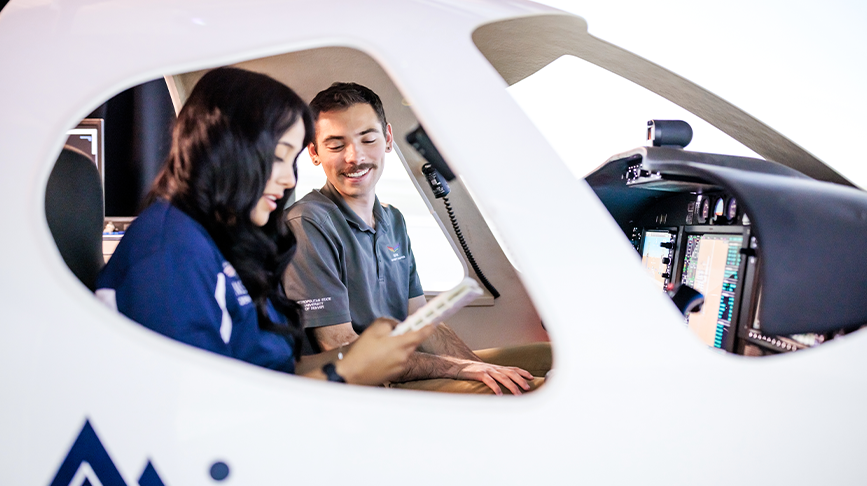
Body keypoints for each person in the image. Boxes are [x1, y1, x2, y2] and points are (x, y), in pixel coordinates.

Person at [95, 68, 432, 385]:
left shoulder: (228, 244)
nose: (288, 180)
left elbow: (274, 372)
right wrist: (347, 372)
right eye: (277, 157)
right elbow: (198, 409)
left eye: (291, 160)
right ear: (228, 150)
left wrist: (359, 356)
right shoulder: (169, 253)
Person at [281, 82, 551, 395]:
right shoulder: (308, 223)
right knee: (535, 393)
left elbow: (422, 323)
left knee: (547, 357)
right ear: (314, 153)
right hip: (372, 385)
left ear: (387, 140)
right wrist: (462, 370)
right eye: (336, 145)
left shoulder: (393, 219)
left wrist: (483, 369)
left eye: (368, 139)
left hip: (408, 368)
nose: (355, 157)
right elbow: (344, 347)